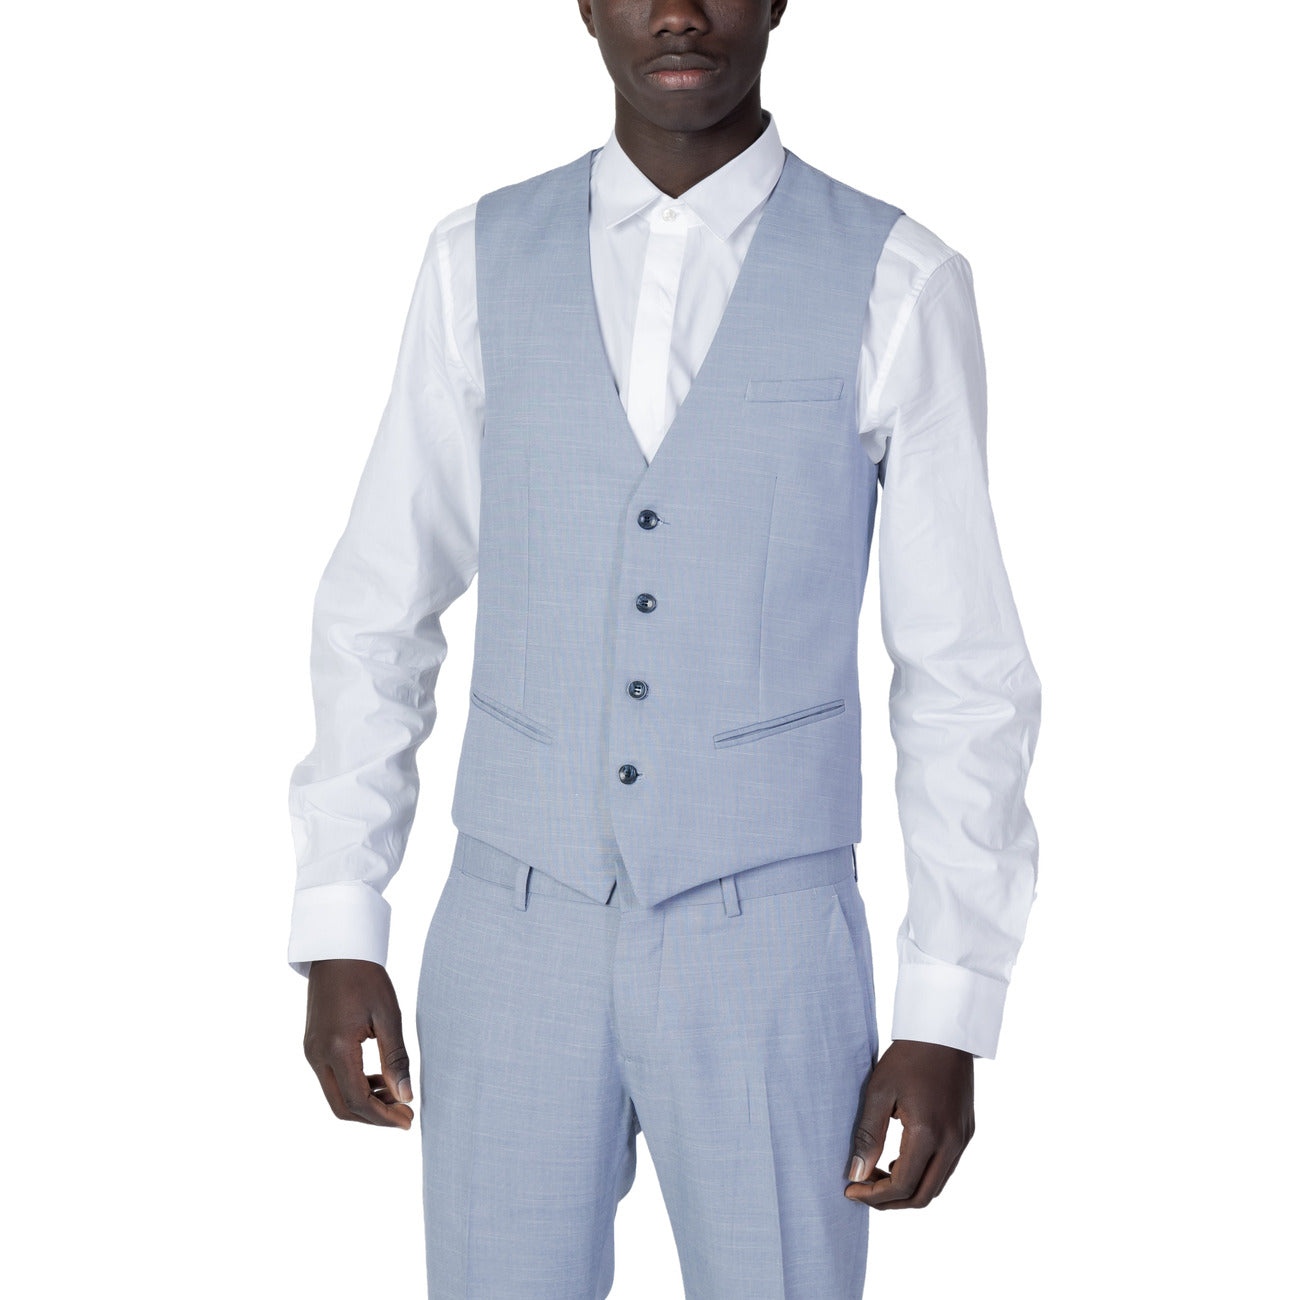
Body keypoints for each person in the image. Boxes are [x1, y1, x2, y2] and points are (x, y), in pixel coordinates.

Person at [287, 2, 1041, 1296]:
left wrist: (948, 1005)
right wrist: (339, 916)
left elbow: (963, 673)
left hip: (773, 946)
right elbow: (379, 604)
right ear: (585, 4)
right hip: (512, 928)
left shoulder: (898, 280)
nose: (680, 11)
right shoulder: (475, 261)